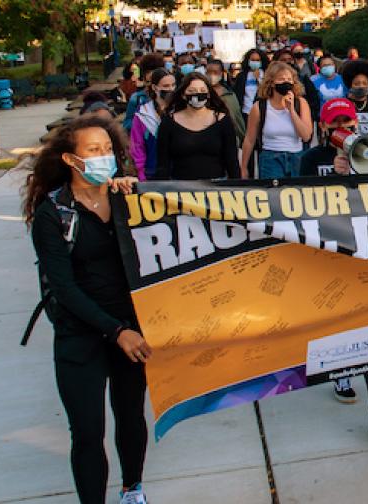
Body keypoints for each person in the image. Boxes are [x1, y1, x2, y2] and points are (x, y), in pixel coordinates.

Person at [23, 115, 151, 504]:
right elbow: (64, 289)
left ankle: (133, 489)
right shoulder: (53, 214)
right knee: (88, 429)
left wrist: (138, 196)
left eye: (108, 149)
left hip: (130, 329)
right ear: (70, 159)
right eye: (93, 151)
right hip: (83, 335)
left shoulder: (125, 198)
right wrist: (116, 332)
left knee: (131, 417)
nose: (103, 157)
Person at [297, 98, 368, 436]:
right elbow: (299, 204)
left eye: (350, 122)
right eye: (338, 122)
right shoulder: (311, 160)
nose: (346, 127)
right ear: (325, 128)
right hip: (328, 251)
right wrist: (333, 181)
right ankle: (341, 369)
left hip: (366, 247)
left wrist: (359, 173)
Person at [155, 72, 240, 180]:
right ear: (183, 94)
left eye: (202, 91)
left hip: (216, 188)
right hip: (180, 189)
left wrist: (236, 187)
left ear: (209, 94)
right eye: (192, 91)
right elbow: (163, 164)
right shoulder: (169, 122)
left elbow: (232, 161)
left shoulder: (222, 120)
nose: (198, 94)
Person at [240, 61, 313, 179]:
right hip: (270, 158)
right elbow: (249, 139)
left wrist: (292, 111)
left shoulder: (301, 103)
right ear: (272, 83)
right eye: (281, 79)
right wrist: (243, 167)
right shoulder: (259, 107)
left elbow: (306, 136)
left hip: (297, 157)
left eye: (289, 79)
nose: (286, 82)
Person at [130, 69, 175, 181]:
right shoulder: (143, 113)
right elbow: (137, 145)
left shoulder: (181, 110)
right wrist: (141, 172)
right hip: (151, 172)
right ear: (155, 88)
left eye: (173, 85)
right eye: (166, 86)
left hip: (178, 171)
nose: (171, 89)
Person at [274, 48, 320, 128]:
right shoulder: (270, 81)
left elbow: (313, 100)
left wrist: (309, 116)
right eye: (283, 60)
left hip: (300, 119)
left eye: (290, 59)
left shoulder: (303, 79)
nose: (287, 62)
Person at [206, 59, 246, 143]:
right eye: (208, 72)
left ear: (221, 73)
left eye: (215, 72)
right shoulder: (202, 92)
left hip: (228, 138)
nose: (211, 75)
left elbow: (236, 117)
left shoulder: (229, 95)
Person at [123, 53, 165, 132]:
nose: (152, 74)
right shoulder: (137, 98)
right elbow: (127, 124)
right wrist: (143, 122)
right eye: (148, 71)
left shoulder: (170, 96)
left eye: (156, 70)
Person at [232, 49, 269, 123]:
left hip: (263, 111)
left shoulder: (267, 75)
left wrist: (258, 80)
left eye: (257, 60)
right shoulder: (242, 76)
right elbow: (237, 93)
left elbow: (266, 92)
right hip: (246, 112)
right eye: (253, 60)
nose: (255, 62)